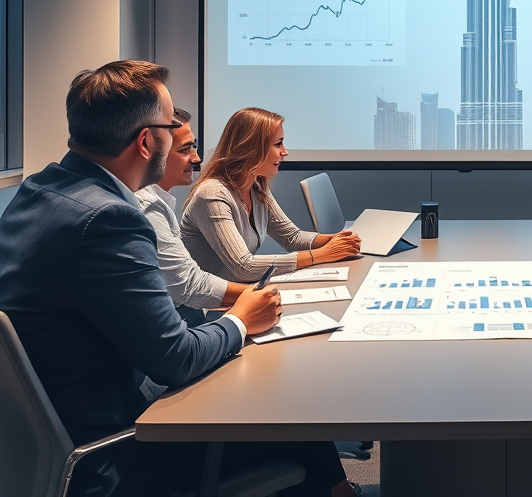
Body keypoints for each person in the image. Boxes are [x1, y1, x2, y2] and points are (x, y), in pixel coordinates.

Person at [0, 60, 358, 497]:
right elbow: (175, 357)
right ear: (148, 141)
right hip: (114, 453)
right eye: (173, 128)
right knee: (296, 419)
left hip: (53, 442)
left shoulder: (38, 192)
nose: (187, 147)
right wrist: (241, 320)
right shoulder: (110, 219)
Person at [181, 107, 360, 283]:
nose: (285, 152)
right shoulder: (211, 194)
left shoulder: (256, 187)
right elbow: (244, 267)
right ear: (250, 148)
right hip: (208, 307)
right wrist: (323, 254)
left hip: (238, 293)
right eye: (277, 143)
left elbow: (292, 238)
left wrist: (337, 240)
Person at [136, 107, 248, 324]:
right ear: (147, 147)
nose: (196, 158)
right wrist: (255, 295)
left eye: (194, 147)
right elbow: (187, 285)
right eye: (185, 149)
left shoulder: (158, 201)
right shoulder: (147, 207)